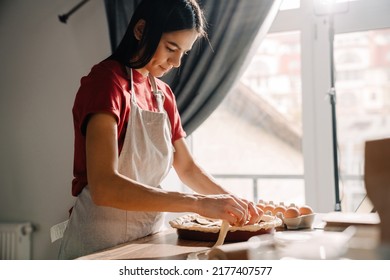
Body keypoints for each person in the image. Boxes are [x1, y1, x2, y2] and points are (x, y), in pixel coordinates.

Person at [58, 0, 262, 259]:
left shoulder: (163, 94)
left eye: (183, 53)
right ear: (141, 30)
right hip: (97, 246)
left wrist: (233, 202)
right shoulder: (106, 84)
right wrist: (199, 204)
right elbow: (104, 187)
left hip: (146, 239)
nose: (176, 62)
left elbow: (187, 168)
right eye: (171, 48)